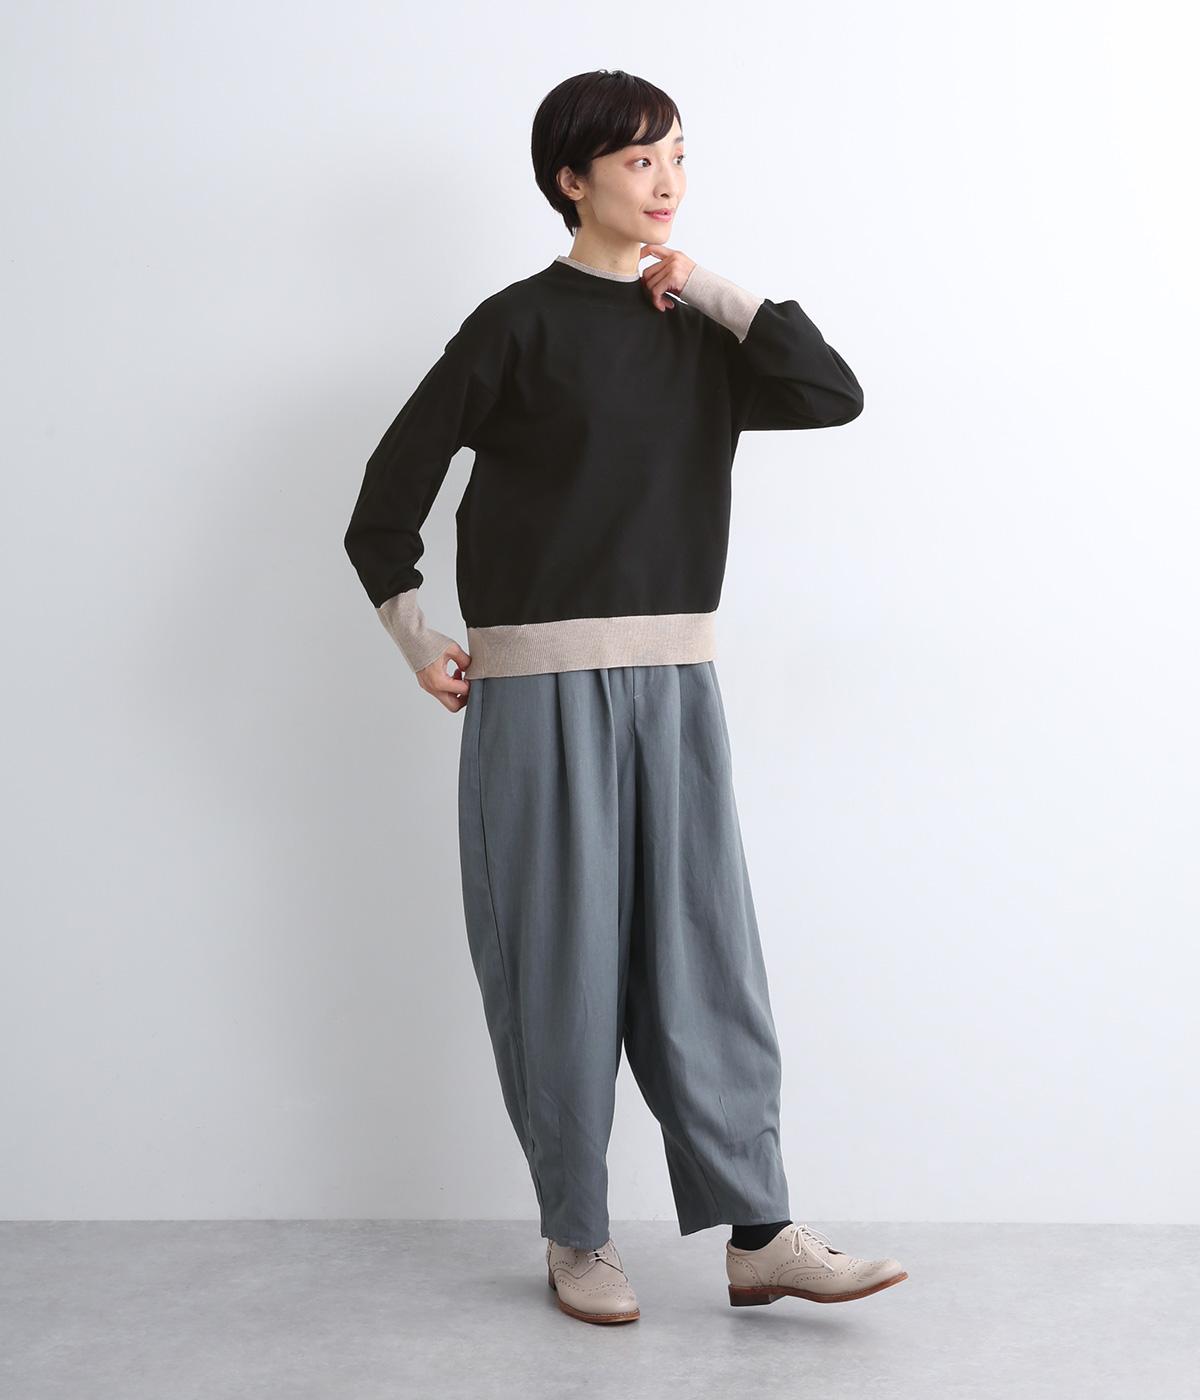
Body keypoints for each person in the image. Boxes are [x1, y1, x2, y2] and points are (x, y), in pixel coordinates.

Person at [343, 68, 908, 1325]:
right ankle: (577, 1234)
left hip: (677, 682)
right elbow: (386, 495)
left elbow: (833, 391)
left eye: (679, 156)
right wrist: (415, 636)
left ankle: (759, 1233)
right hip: (536, 690)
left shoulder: (699, 329)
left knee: (707, 958)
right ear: (572, 179)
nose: (666, 181)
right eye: (641, 159)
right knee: (560, 965)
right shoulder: (514, 325)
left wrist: (711, 288)